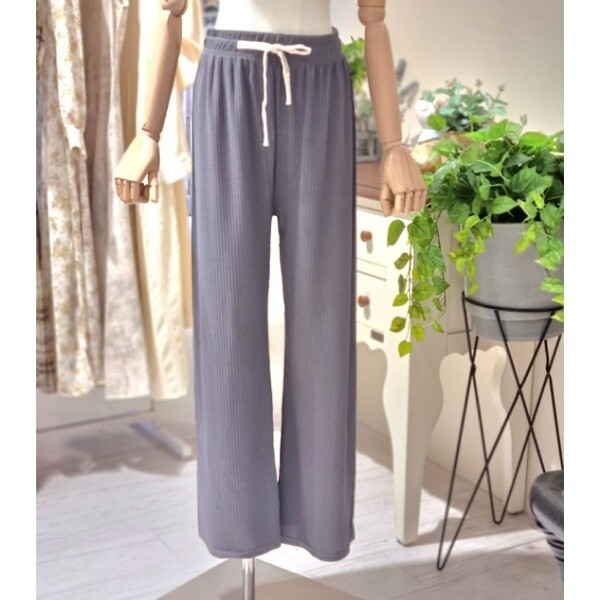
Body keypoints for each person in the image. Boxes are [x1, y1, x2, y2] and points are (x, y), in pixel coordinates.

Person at [115, 0, 426, 562]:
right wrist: (147, 133)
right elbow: (170, 12)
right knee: (226, 320)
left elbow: (373, 17)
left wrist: (394, 145)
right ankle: (238, 527)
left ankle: (319, 520)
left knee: (324, 317)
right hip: (228, 85)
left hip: (320, 85)